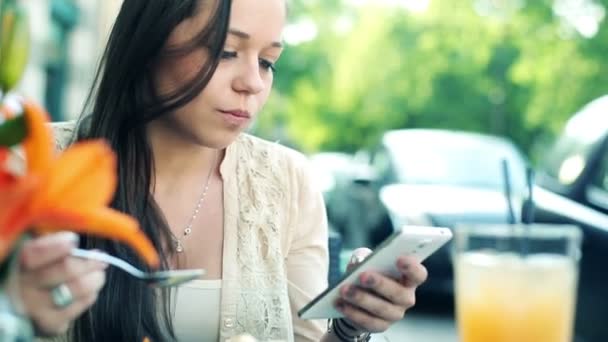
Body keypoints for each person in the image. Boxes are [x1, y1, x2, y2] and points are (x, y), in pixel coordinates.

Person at [19, 0, 428, 341]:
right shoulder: (32, 164)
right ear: (148, 42)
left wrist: (350, 325)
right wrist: (17, 313)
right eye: (226, 52)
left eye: (268, 62)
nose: (252, 83)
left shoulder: (287, 182)